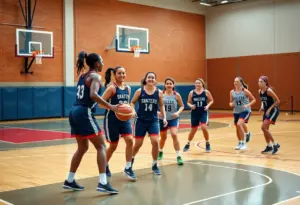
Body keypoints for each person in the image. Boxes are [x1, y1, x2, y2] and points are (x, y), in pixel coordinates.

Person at [63, 51, 118, 194]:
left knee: (82, 148)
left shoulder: (83, 76)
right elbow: (93, 95)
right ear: (97, 63)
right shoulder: (95, 76)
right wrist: (110, 106)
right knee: (101, 146)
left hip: (74, 111)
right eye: (102, 61)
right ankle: (103, 183)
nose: (104, 64)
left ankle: (69, 180)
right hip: (83, 111)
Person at [101, 66, 136, 180]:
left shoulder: (128, 88)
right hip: (111, 120)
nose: (122, 75)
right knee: (113, 146)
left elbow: (127, 104)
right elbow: (100, 104)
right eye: (119, 73)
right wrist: (113, 108)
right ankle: (104, 164)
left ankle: (128, 167)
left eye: (123, 73)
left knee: (130, 140)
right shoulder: (112, 88)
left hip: (124, 120)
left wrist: (131, 111)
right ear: (114, 75)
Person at [130, 72, 167, 175]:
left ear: (155, 80)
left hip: (153, 120)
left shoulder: (159, 92)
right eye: (149, 77)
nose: (151, 79)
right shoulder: (139, 91)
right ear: (145, 79)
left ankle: (155, 164)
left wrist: (164, 117)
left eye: (153, 78)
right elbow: (132, 102)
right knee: (138, 144)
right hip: (140, 120)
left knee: (155, 141)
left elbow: (161, 105)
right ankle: (130, 162)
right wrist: (133, 111)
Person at [158, 77, 184, 165]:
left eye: (170, 83)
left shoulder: (176, 95)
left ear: (173, 85)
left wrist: (177, 113)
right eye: (167, 83)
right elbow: (154, 105)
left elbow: (182, 106)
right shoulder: (161, 94)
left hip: (173, 118)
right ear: (165, 85)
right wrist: (157, 112)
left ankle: (178, 156)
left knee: (174, 134)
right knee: (163, 137)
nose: (169, 85)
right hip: (162, 119)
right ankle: (160, 151)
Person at [183, 78, 214, 153]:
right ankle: (188, 143)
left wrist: (208, 106)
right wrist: (191, 106)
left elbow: (212, 100)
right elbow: (188, 102)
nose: (197, 84)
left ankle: (207, 143)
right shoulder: (191, 92)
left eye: (199, 83)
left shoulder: (206, 92)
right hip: (195, 113)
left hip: (203, 112)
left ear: (202, 84)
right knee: (193, 130)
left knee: (203, 127)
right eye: (196, 83)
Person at [229, 77, 256, 151]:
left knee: (239, 124)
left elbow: (254, 100)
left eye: (237, 81)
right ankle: (240, 142)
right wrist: (231, 104)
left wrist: (247, 105)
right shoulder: (232, 92)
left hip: (245, 111)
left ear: (241, 82)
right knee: (237, 127)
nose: (235, 83)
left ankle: (244, 143)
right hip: (236, 111)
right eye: (234, 81)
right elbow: (230, 102)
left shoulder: (245, 91)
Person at [258, 76, 281, 154]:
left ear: (265, 83)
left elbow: (278, 101)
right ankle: (269, 146)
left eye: (261, 82)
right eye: (259, 81)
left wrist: (269, 109)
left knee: (263, 127)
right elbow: (262, 101)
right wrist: (262, 107)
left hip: (273, 110)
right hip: (267, 111)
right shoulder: (260, 91)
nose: (259, 83)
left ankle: (275, 144)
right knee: (265, 129)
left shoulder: (269, 91)